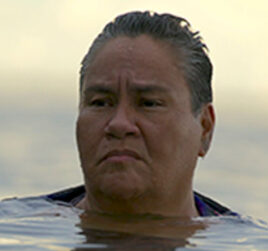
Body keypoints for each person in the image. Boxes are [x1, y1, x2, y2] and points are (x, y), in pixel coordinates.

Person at [47, 10, 235, 218]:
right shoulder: (26, 226)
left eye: (149, 104)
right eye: (100, 103)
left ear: (205, 128)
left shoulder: (245, 238)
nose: (119, 124)